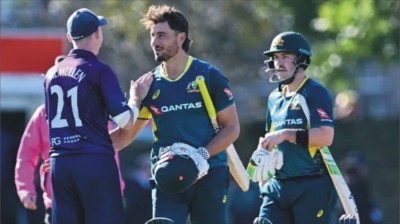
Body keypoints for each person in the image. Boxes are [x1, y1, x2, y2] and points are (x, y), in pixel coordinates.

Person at [110, 4, 240, 224]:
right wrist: (77, 151)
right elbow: (125, 136)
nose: (155, 42)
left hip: (209, 174)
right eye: (152, 36)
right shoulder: (148, 85)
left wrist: (202, 156)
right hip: (166, 178)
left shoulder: (208, 75)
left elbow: (232, 128)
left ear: (181, 38)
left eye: (162, 35)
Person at [43, 8, 152, 224]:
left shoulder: (50, 74)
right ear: (97, 34)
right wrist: (135, 99)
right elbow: (125, 121)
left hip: (60, 164)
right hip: (94, 162)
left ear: (69, 37)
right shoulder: (99, 70)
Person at [247, 31, 337, 224]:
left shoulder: (315, 92)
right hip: (278, 185)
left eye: (285, 57)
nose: (279, 63)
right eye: (276, 57)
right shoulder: (273, 98)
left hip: (311, 183)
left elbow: (325, 136)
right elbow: (272, 137)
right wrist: (265, 148)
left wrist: (286, 134)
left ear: (302, 60)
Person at [14, 104, 127, 224]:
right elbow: (26, 154)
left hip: (98, 201)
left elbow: (110, 155)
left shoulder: (97, 110)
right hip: (59, 202)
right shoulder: (44, 113)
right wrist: (25, 190)